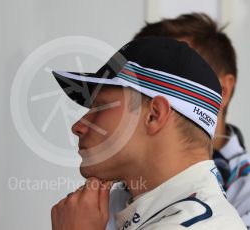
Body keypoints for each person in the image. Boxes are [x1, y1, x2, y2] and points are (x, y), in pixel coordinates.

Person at [50, 37, 247, 229]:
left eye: (100, 107)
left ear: (154, 115)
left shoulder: (196, 225)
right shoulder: (117, 209)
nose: (77, 126)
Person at [107, 13, 250, 229]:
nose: (153, 99)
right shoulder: (116, 182)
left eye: (176, 79)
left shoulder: (245, 186)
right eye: (144, 82)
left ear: (223, 90)